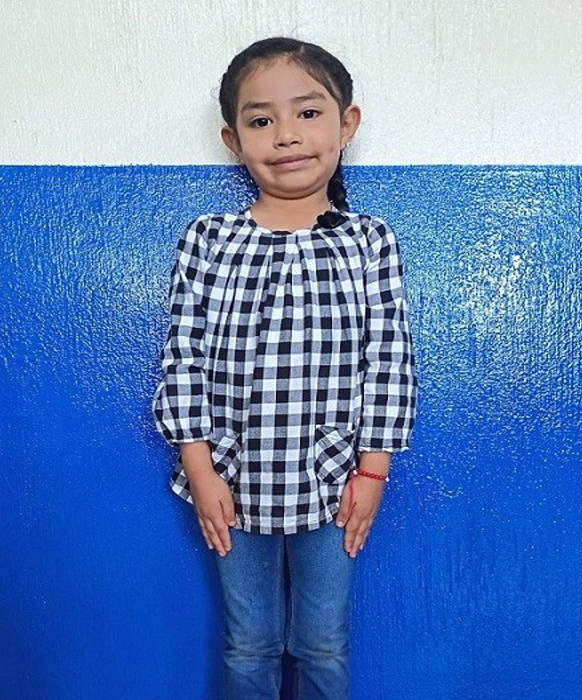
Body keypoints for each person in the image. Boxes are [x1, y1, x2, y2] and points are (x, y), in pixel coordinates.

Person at [152, 36, 417, 700]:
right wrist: (199, 468)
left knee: (323, 642)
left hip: (334, 482)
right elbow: (183, 355)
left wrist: (373, 470)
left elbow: (388, 359)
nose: (286, 135)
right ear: (233, 139)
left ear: (346, 124)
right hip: (230, 480)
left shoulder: (369, 240)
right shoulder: (209, 239)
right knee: (249, 644)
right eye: (261, 120)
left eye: (308, 112)